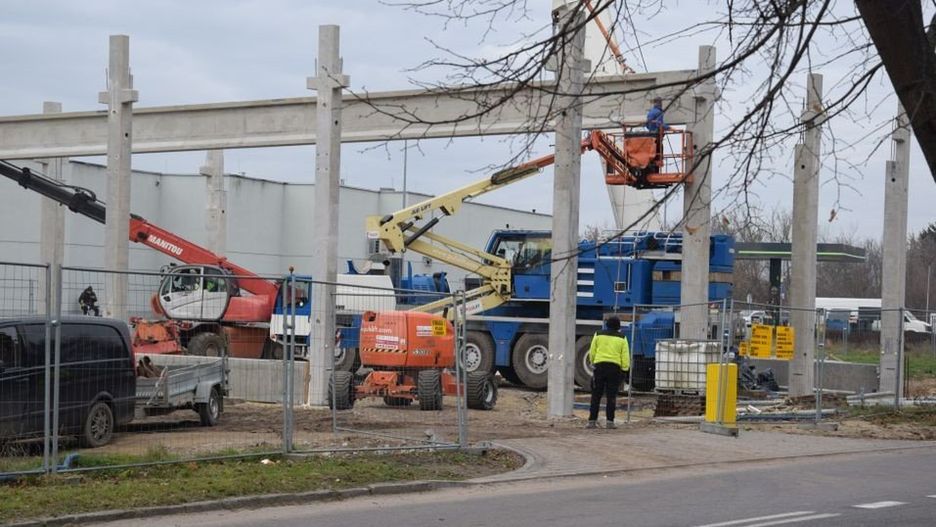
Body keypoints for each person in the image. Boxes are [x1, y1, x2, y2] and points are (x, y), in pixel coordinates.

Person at [586, 316, 630, 429]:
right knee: (611, 396)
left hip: (599, 367)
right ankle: (610, 422)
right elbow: (625, 356)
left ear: (607, 325)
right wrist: (625, 369)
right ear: (618, 326)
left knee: (596, 395)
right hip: (614, 369)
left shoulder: (598, 334)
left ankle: (592, 421)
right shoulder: (622, 338)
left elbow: (592, 350)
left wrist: (593, 362)